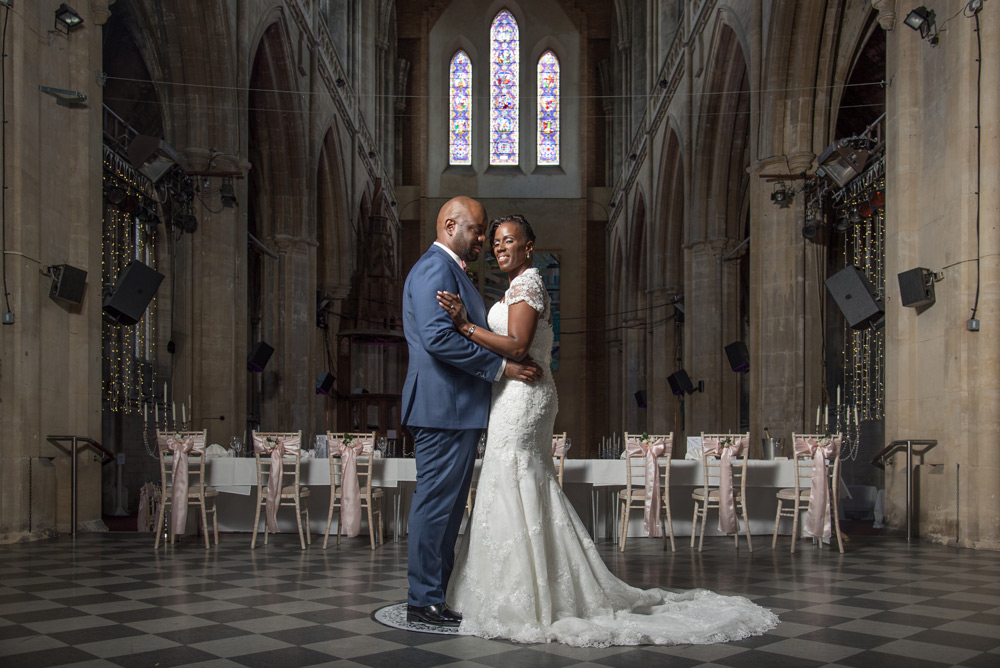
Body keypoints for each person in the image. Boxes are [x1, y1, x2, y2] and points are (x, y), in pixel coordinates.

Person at [437, 214, 778, 646]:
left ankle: (533, 596)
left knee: (515, 476)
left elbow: (520, 347)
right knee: (513, 481)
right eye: (497, 242)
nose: (501, 247)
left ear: (529, 246)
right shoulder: (514, 287)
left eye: (510, 241)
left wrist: (466, 325)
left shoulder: (528, 284)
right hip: (511, 394)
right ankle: (521, 586)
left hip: (524, 397)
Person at [401, 197, 543, 628]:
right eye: (477, 231)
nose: (483, 239)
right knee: (435, 507)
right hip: (442, 407)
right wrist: (502, 368)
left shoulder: (452, 271)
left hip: (457, 410)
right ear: (449, 225)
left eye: (485, 232)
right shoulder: (434, 268)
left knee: (447, 509)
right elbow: (437, 339)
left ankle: (435, 595)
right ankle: (422, 598)